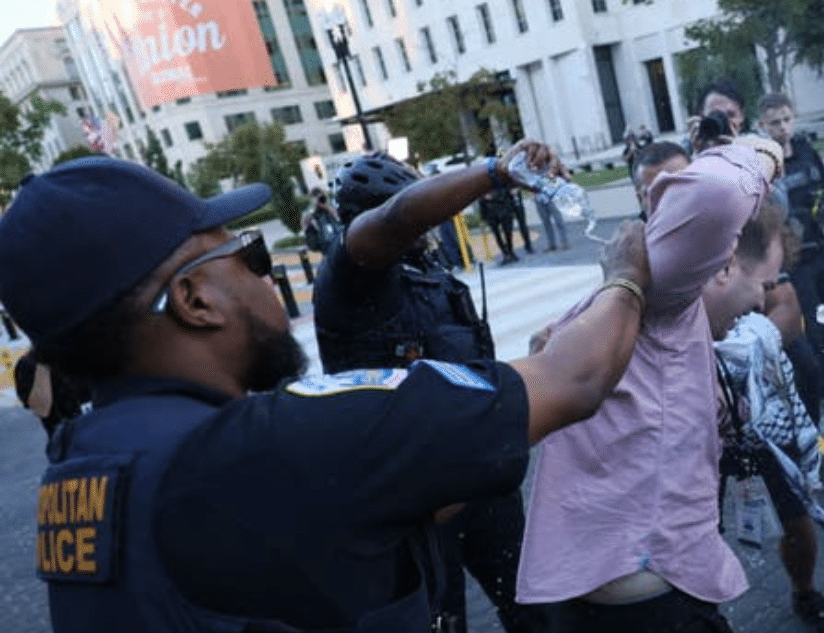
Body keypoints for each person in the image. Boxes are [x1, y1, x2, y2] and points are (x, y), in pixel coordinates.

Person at [2, 152, 650, 633]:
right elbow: (576, 379)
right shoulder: (280, 444)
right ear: (195, 300)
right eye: (250, 256)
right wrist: (627, 273)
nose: (270, 279)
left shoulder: (81, 471)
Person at [517, 143, 777, 633]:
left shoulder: (617, 304)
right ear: (720, 263)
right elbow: (720, 193)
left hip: (586, 591)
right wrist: (768, 150)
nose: (767, 299)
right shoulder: (665, 295)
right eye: (765, 282)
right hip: (646, 601)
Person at [632, 144, 824, 632]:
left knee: (795, 514)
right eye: (650, 191)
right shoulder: (637, 259)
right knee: (690, 527)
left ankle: (805, 591)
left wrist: (752, 344)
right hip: (690, 428)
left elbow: (787, 310)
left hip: (754, 416)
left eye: (676, 183)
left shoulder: (739, 234)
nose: (665, 198)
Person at [314, 151, 531, 632]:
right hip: (418, 508)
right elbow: (397, 220)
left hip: (480, 483)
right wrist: (493, 174)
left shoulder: (431, 277)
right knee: (441, 620)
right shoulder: (350, 277)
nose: (433, 222)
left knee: (535, 605)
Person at [757, 91, 824, 421]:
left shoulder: (807, 151)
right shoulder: (764, 167)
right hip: (793, 264)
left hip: (822, 253)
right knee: (810, 328)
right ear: (762, 126)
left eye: (786, 120)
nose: (782, 128)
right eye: (774, 123)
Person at [480, 186, 521, 264]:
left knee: (508, 233)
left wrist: (492, 197)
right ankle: (505, 254)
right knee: (497, 235)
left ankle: (511, 252)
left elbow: (506, 194)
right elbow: (481, 200)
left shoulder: (499, 181)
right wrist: (483, 217)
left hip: (504, 210)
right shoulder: (482, 183)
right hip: (491, 213)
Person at [302, 188, 341, 254]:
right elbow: (306, 229)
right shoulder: (310, 213)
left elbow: (338, 218)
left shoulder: (329, 207)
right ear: (312, 200)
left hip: (338, 242)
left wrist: (327, 207)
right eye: (317, 197)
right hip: (326, 248)